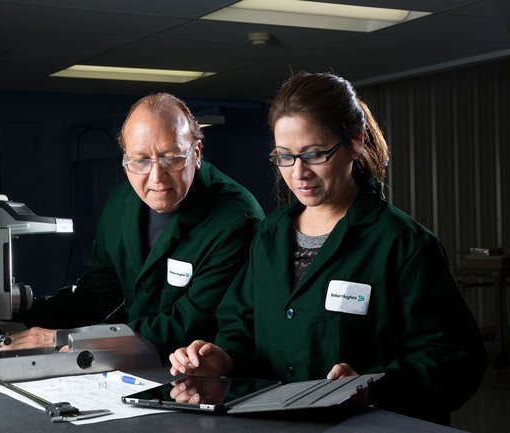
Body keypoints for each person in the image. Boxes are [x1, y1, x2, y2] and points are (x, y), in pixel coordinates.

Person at [168, 72, 487, 424]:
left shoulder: (403, 243)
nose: (298, 173)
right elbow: (239, 323)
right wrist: (222, 358)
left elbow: (453, 358)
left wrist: (370, 386)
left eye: (315, 154)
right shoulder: (270, 235)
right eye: (284, 156)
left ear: (355, 142)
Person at [1, 92, 264, 359]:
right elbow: (95, 296)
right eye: (140, 161)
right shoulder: (121, 202)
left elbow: (188, 323)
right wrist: (18, 316)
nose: (156, 177)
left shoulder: (236, 218)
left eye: (171, 157)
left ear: (196, 153)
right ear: (125, 161)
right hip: (136, 360)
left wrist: (65, 339)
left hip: (200, 370)